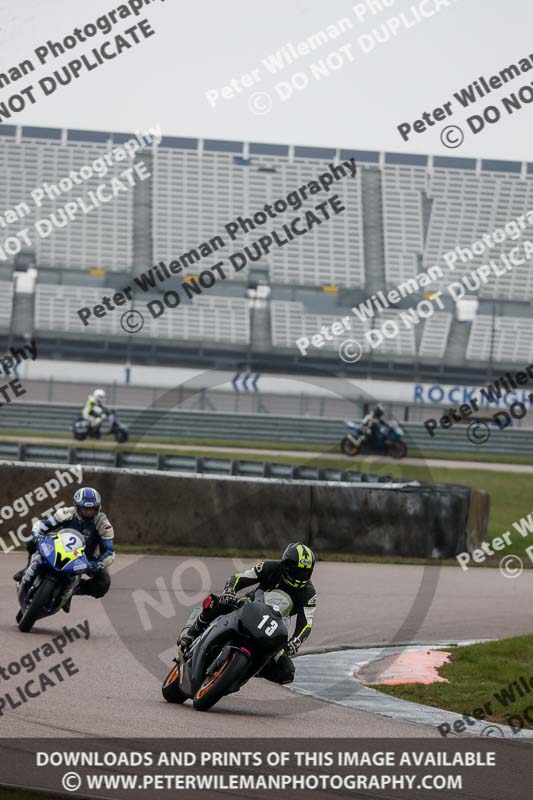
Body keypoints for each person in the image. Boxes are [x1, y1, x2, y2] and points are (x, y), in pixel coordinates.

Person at [176, 542, 317, 685]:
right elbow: (240, 577)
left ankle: (251, 669)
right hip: (249, 606)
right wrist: (230, 590)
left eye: (305, 572)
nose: (300, 576)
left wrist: (296, 641)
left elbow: (306, 622)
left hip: (273, 626)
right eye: (296, 571)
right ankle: (192, 631)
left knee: (287, 673)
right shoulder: (270, 567)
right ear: (286, 565)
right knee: (217, 602)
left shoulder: (309, 593)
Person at [13, 487, 115, 608]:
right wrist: (37, 535)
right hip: (60, 548)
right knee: (32, 542)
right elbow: (42, 524)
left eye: (92, 509)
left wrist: (98, 564)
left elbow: (109, 551)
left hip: (84, 560)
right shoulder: (66, 513)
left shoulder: (103, 524)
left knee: (104, 583)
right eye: (85, 508)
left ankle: (73, 591)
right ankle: (27, 568)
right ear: (77, 506)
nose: (88, 512)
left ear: (98, 508)